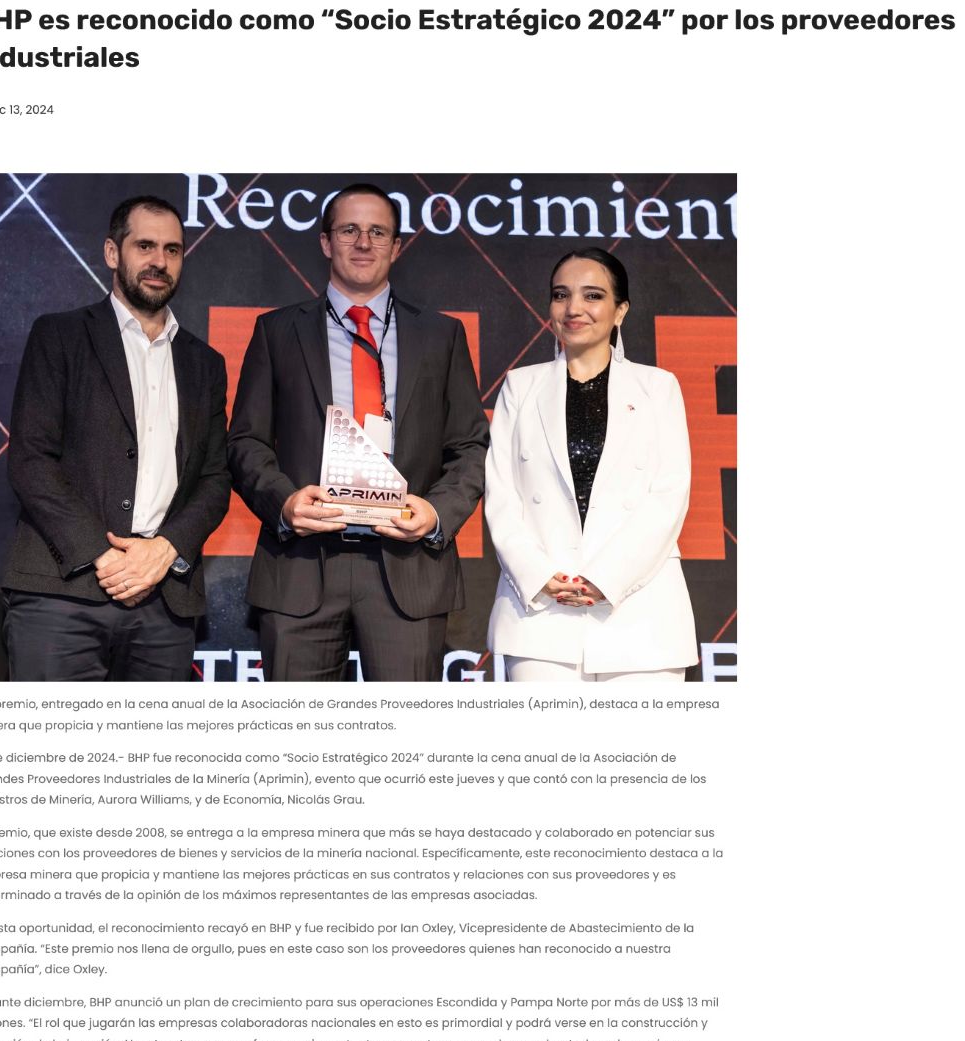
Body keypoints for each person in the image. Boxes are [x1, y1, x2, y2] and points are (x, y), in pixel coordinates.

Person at [228, 183, 489, 682]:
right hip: (302, 564)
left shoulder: (441, 335)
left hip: (408, 566)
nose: (364, 242)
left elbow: (470, 446)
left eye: (378, 232)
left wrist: (436, 512)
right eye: (349, 230)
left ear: (396, 246)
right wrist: (284, 503)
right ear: (326, 242)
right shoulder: (277, 332)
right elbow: (246, 442)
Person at [4, 194, 231, 681]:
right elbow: (30, 460)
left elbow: (215, 480)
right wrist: (105, 557)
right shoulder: (60, 336)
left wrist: (164, 550)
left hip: (164, 602)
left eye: (172, 250)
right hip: (62, 592)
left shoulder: (206, 364)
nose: (159, 261)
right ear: (113, 252)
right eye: (145, 246)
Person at [485, 247, 698, 684]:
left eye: (593, 295)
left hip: (642, 612)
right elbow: (501, 494)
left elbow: (669, 495)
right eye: (561, 295)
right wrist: (539, 575)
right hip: (540, 612)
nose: (574, 308)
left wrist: (607, 577)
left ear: (620, 311)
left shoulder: (657, 387)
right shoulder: (520, 387)